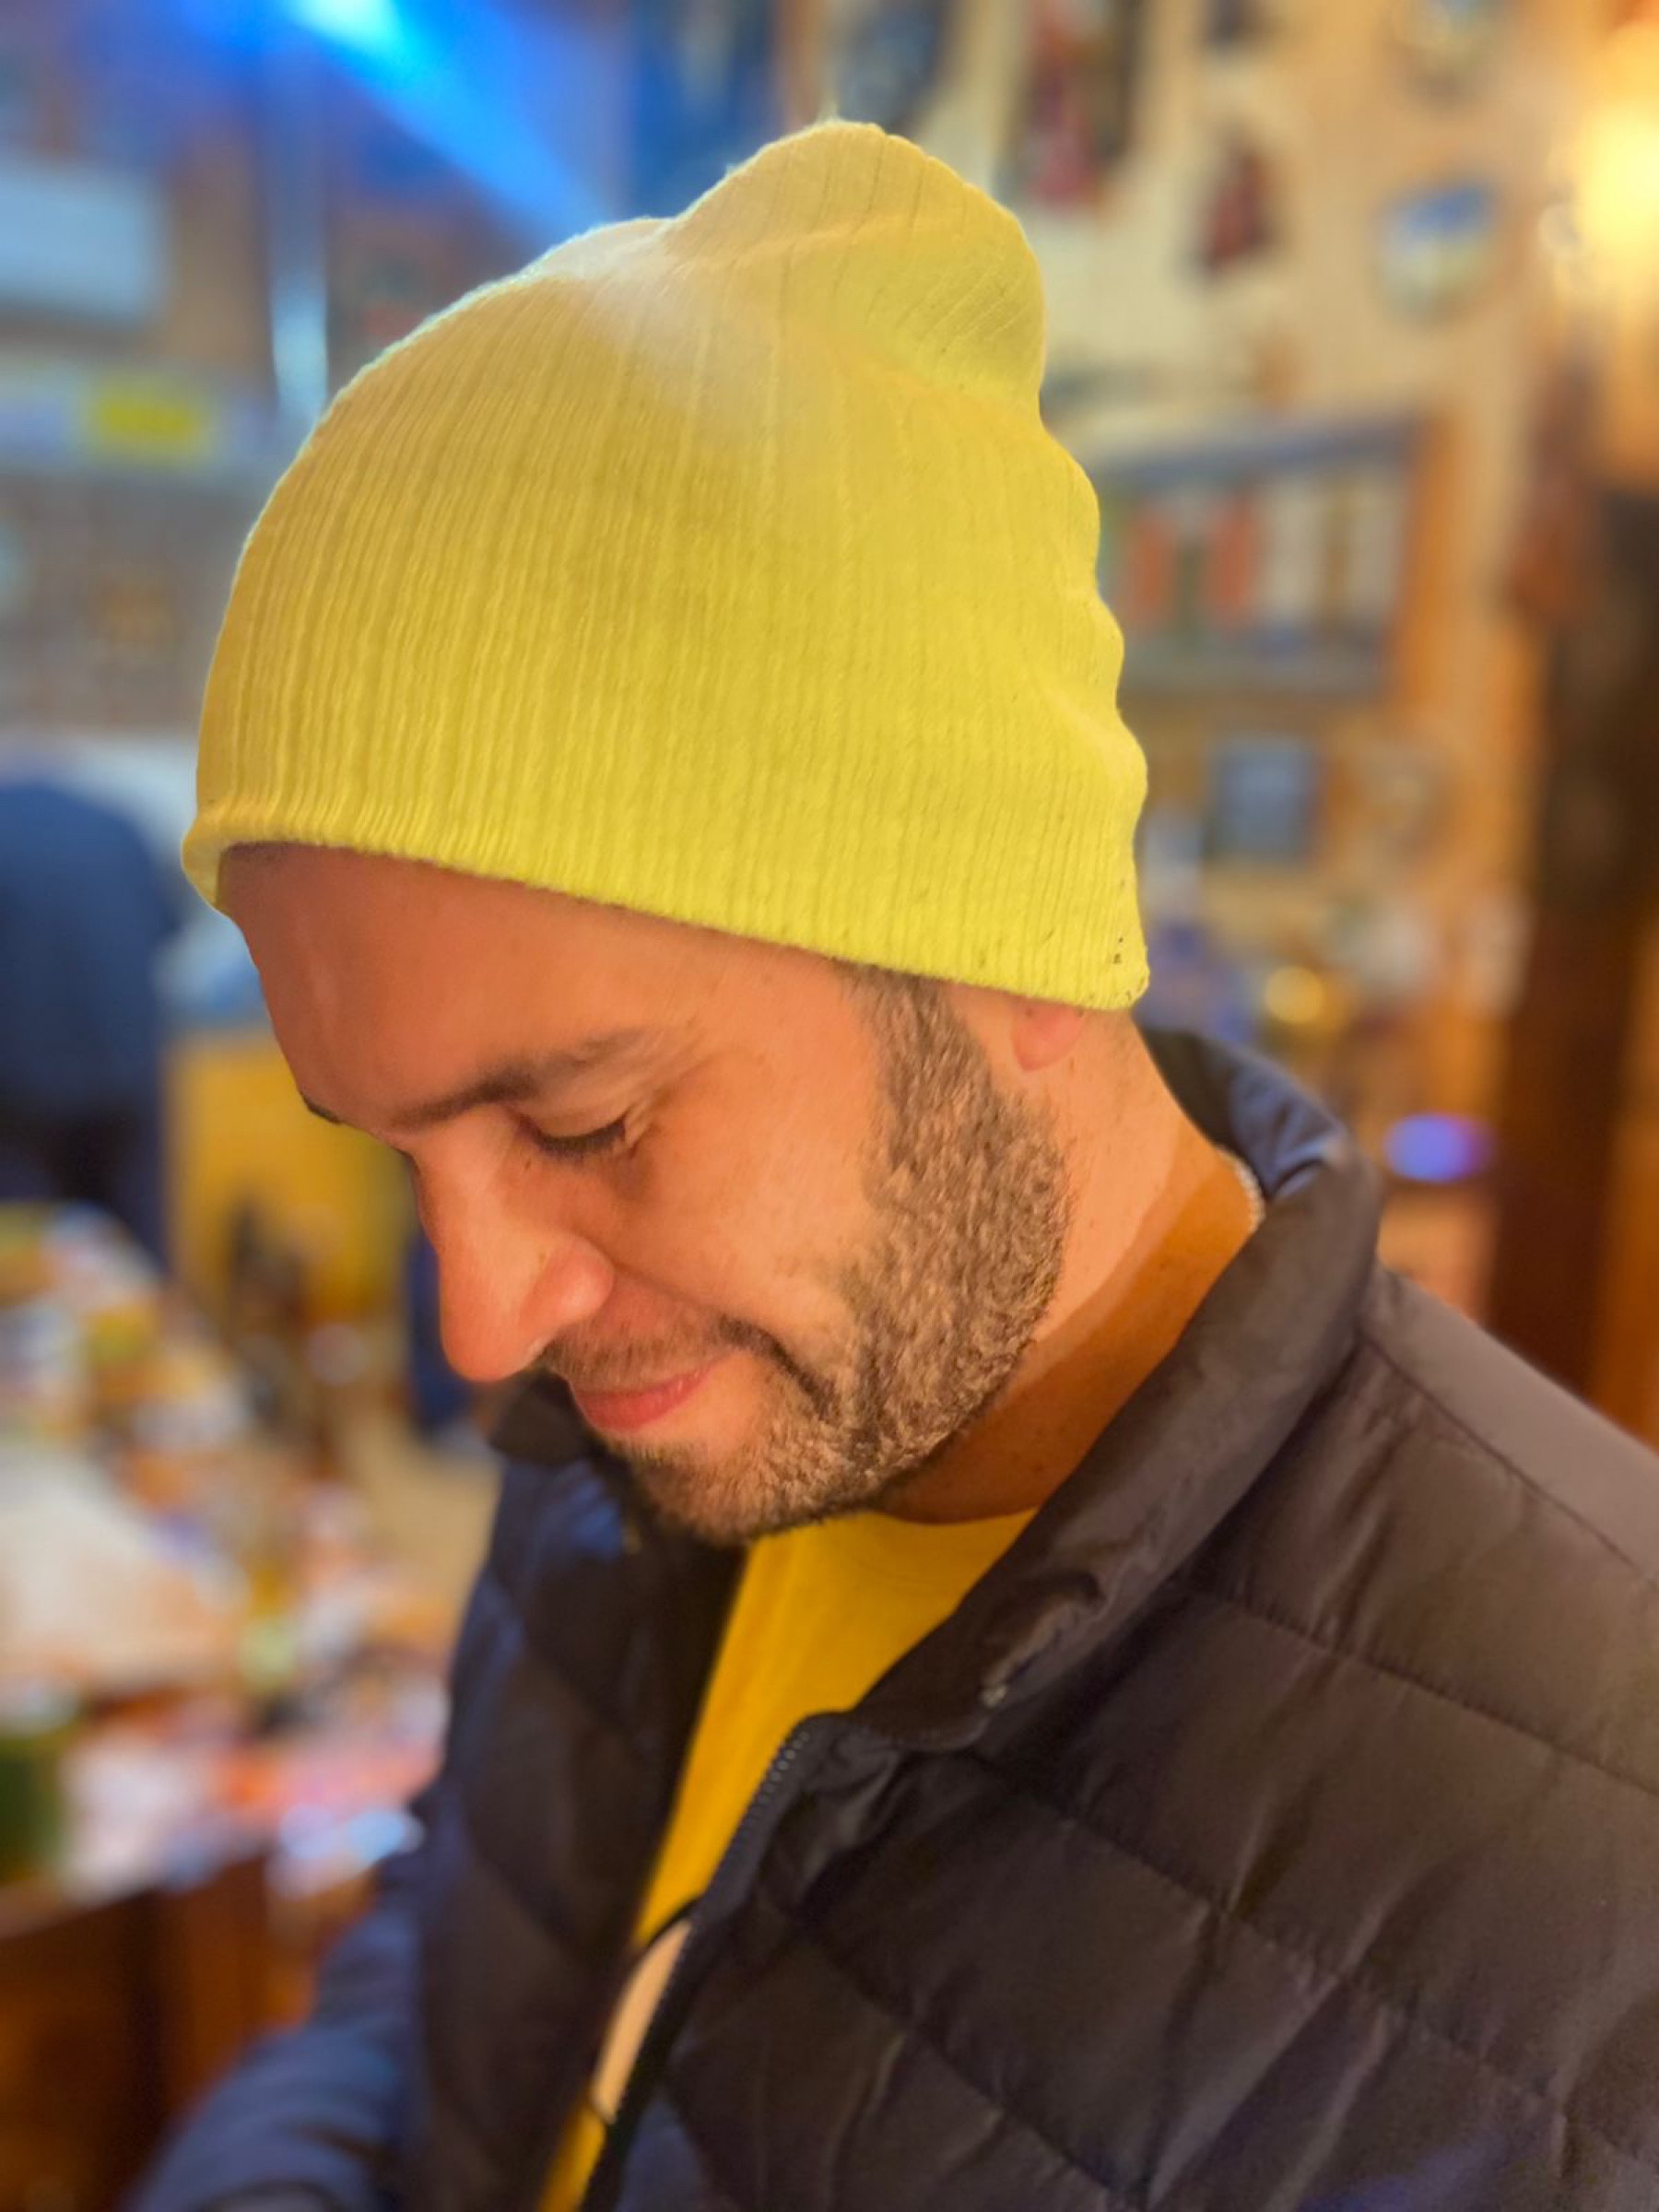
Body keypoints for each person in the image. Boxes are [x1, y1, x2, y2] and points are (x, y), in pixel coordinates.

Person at [134, 124, 1659, 2212]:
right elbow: (471, 1938)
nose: (486, 1319)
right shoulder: (642, 1418)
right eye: (400, 1150)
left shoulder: (1597, 1912)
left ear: (1006, 952)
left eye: (583, 1123)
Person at [0, 774, 178, 1261]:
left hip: (18, 1086)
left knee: (27, 1250)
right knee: (138, 1247)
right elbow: (167, 926)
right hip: (126, 1068)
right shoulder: (119, 827)